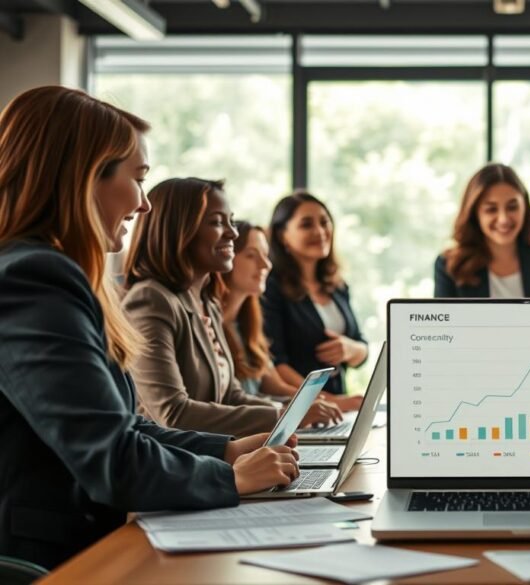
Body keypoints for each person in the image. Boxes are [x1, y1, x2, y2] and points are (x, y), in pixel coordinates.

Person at [0, 86, 300, 568]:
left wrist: (226, 450)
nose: (143, 205)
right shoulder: (35, 279)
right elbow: (112, 458)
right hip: (51, 560)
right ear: (84, 178)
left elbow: (125, 424)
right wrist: (232, 479)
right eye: (138, 179)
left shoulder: (57, 274)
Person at [123, 179, 340, 436]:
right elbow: (173, 413)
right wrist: (284, 416)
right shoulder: (150, 300)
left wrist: (294, 411)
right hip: (174, 467)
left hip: (214, 458)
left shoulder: (206, 302)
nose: (232, 233)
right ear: (178, 230)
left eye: (230, 221)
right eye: (216, 222)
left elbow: (231, 395)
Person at [220, 221, 339, 415]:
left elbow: (275, 386)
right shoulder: (209, 325)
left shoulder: (247, 324)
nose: (265, 265)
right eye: (251, 255)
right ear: (225, 259)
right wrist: (292, 412)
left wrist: (330, 403)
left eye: (266, 255)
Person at [264, 191, 368, 410]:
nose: (319, 231)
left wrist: (350, 349)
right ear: (283, 235)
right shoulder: (271, 288)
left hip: (338, 410)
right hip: (299, 412)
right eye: (306, 224)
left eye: (324, 222)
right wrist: (334, 402)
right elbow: (276, 365)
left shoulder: (337, 285)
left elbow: (362, 349)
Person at [435, 163, 530, 298]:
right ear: (475, 214)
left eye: (512, 207)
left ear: (525, 207)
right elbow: (445, 319)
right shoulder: (449, 265)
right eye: (491, 209)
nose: (503, 219)